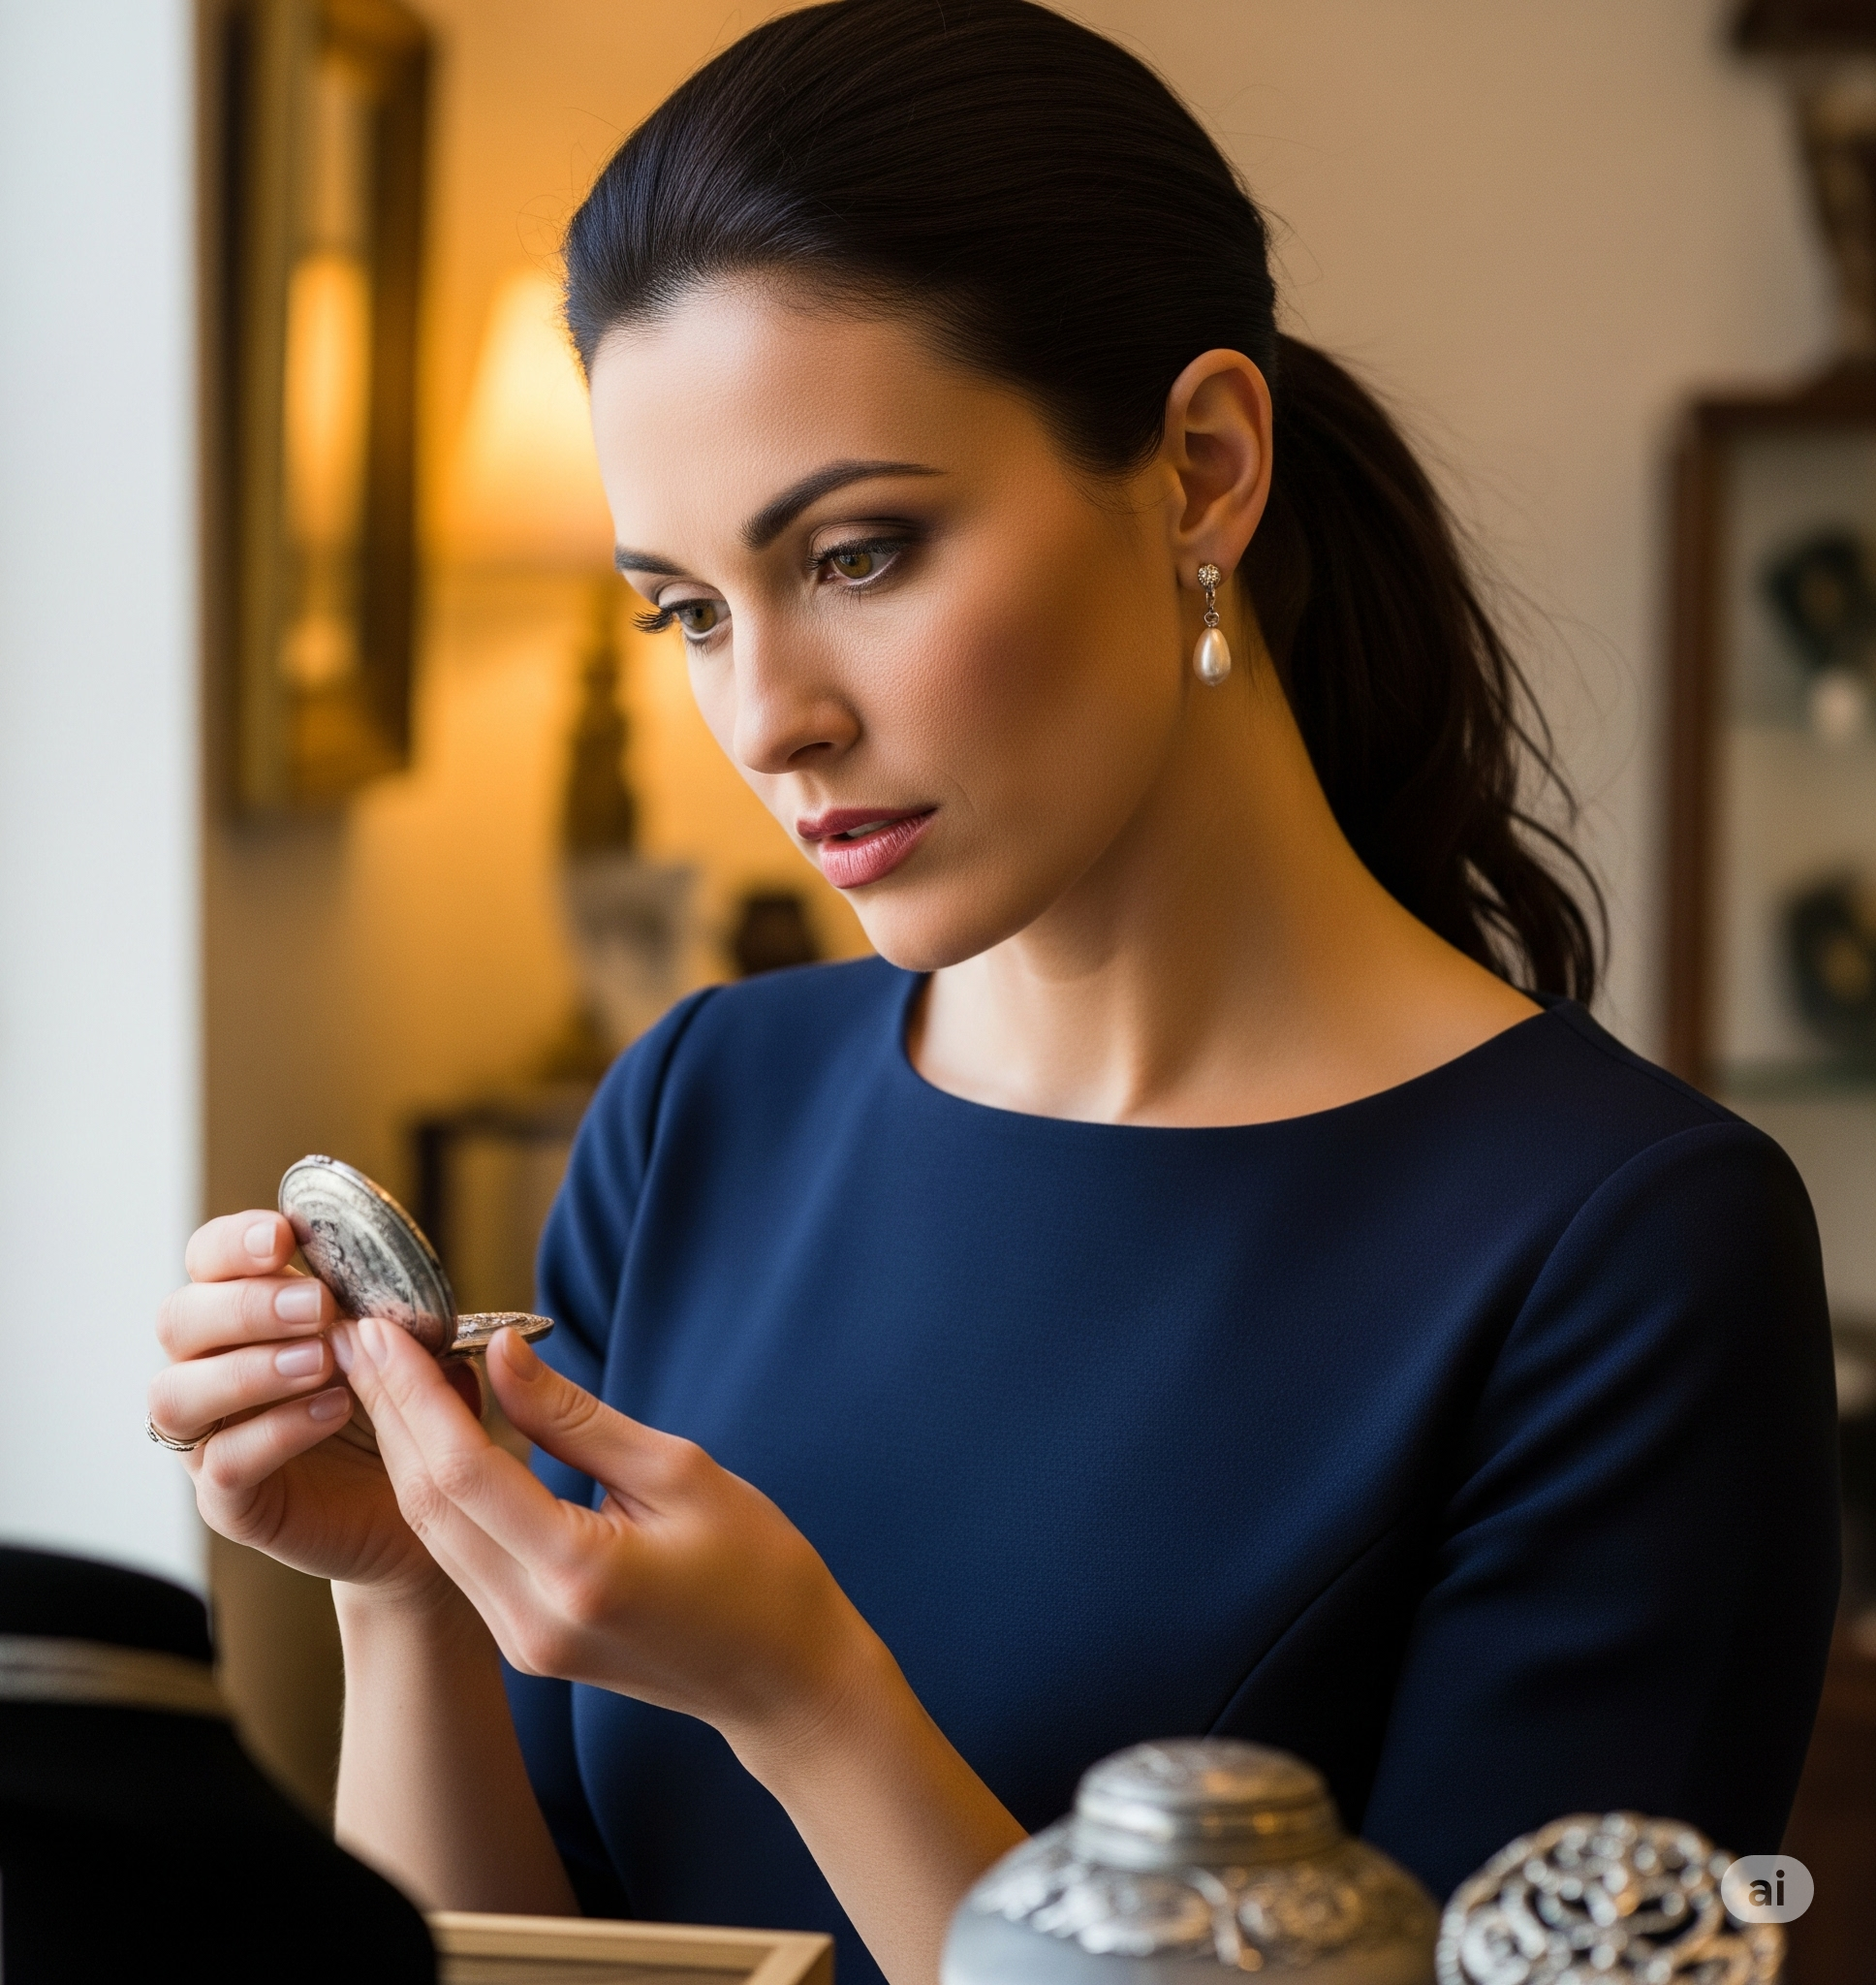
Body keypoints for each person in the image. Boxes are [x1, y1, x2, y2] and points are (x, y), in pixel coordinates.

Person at [149, 5, 1840, 1983]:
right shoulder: (701, 1109)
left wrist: (807, 1699)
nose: (765, 716)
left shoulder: (1624, 1256)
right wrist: (406, 1590)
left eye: (858, 554)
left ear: (1202, 469)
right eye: (688, 608)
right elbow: (515, 1960)